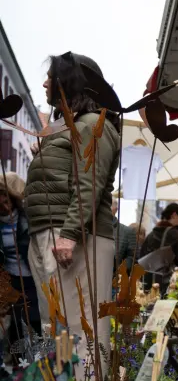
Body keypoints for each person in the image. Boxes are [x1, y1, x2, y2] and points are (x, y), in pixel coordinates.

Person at [24, 52, 120, 357]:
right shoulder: (73, 127)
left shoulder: (92, 123)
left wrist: (69, 234)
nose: (44, 84)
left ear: (70, 81)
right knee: (58, 327)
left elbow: (89, 184)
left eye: (51, 78)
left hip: (76, 239)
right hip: (54, 235)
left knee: (81, 329)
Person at [0, 173, 39, 340]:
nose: (4, 206)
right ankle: (19, 365)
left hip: (32, 278)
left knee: (36, 321)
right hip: (11, 279)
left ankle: (40, 363)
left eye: (6, 200)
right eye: (0, 204)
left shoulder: (27, 218)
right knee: (15, 326)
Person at [141, 202, 178, 288]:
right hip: (170, 285)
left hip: (149, 284)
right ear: (174, 215)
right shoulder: (177, 236)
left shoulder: (151, 235)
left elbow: (141, 257)